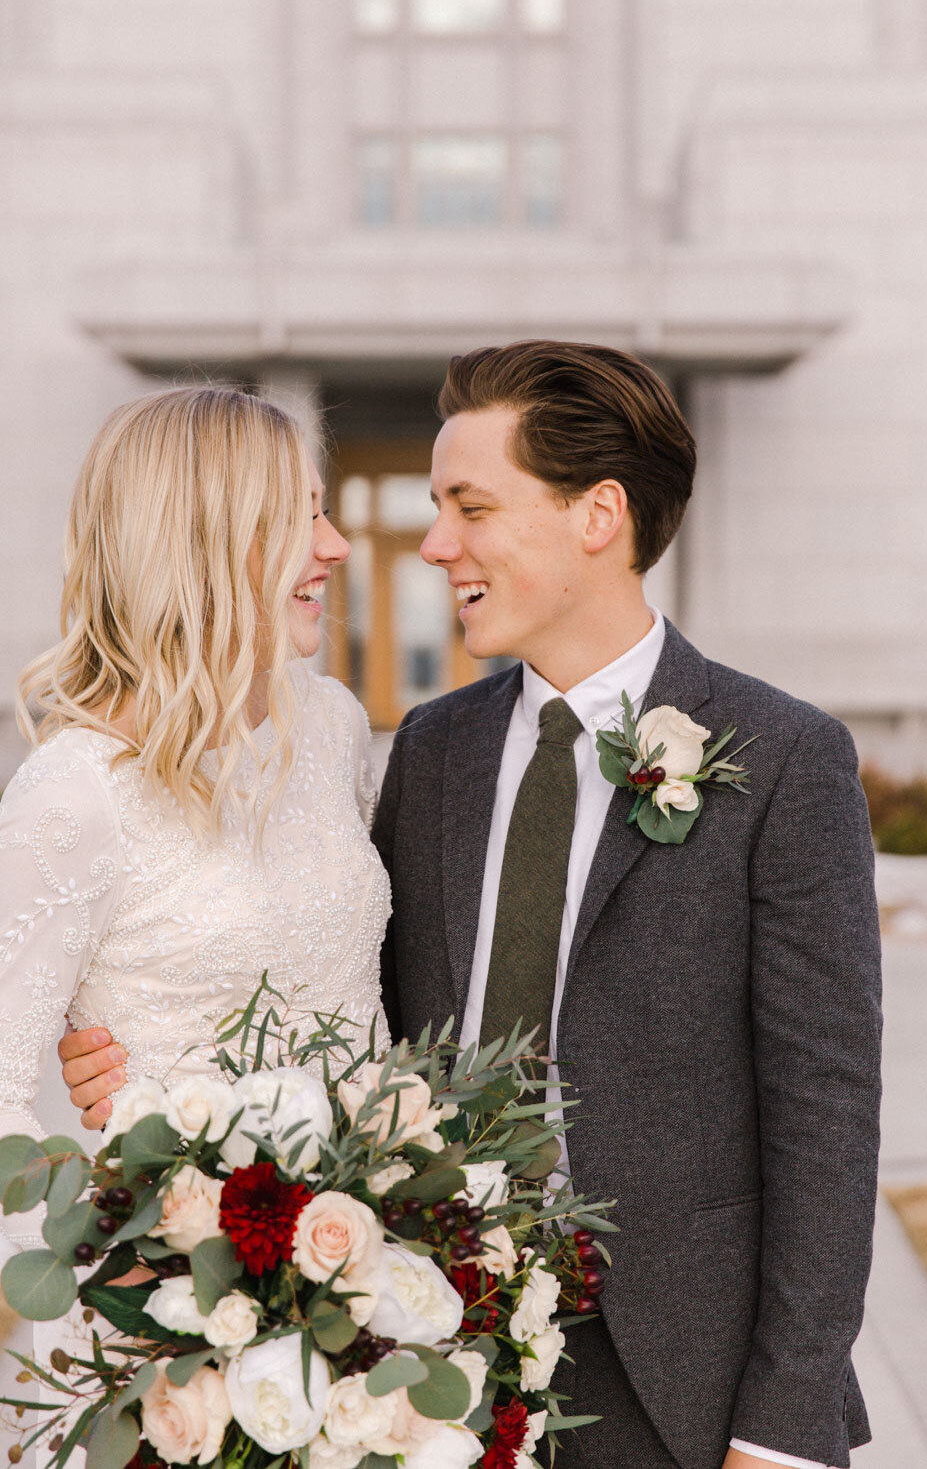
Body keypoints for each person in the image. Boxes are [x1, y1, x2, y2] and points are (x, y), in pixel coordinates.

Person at [59, 343, 882, 1469]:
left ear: (597, 515)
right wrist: (139, 1070)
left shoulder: (784, 757)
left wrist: (781, 1430)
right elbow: (348, 1011)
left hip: (684, 1386)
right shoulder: (430, 750)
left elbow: (827, 1112)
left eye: (470, 506)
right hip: (414, 1366)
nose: (433, 543)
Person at [0, 384, 391, 1269]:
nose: (335, 548)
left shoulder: (329, 725)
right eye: (302, 519)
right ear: (206, 542)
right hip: (170, 1318)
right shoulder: (74, 792)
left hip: (366, 1277)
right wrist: (117, 1261)